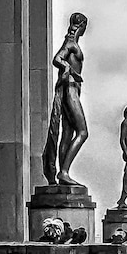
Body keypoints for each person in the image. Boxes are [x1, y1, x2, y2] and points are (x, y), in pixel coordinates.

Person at [42, 12, 89, 185]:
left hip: (72, 89)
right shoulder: (71, 43)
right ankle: (64, 171)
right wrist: (69, 69)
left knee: (67, 133)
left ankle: (63, 174)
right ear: (81, 25)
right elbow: (57, 59)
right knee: (83, 132)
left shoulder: (72, 43)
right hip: (70, 89)